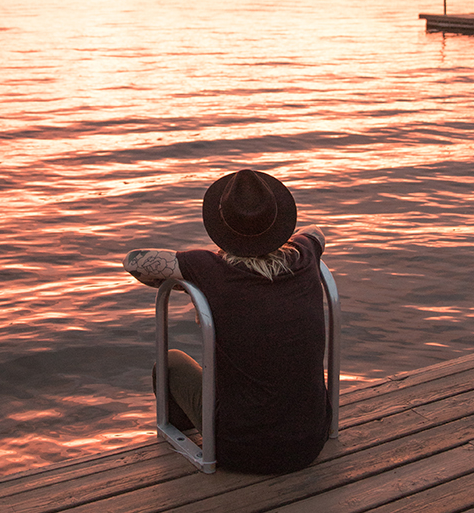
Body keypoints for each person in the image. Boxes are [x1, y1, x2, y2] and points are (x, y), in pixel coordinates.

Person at [123, 168, 331, 474]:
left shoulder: (210, 269)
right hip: (311, 440)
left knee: (170, 363)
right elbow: (317, 232)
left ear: (223, 226)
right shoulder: (305, 255)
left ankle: (191, 432)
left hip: (241, 451)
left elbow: (133, 261)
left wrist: (191, 285)